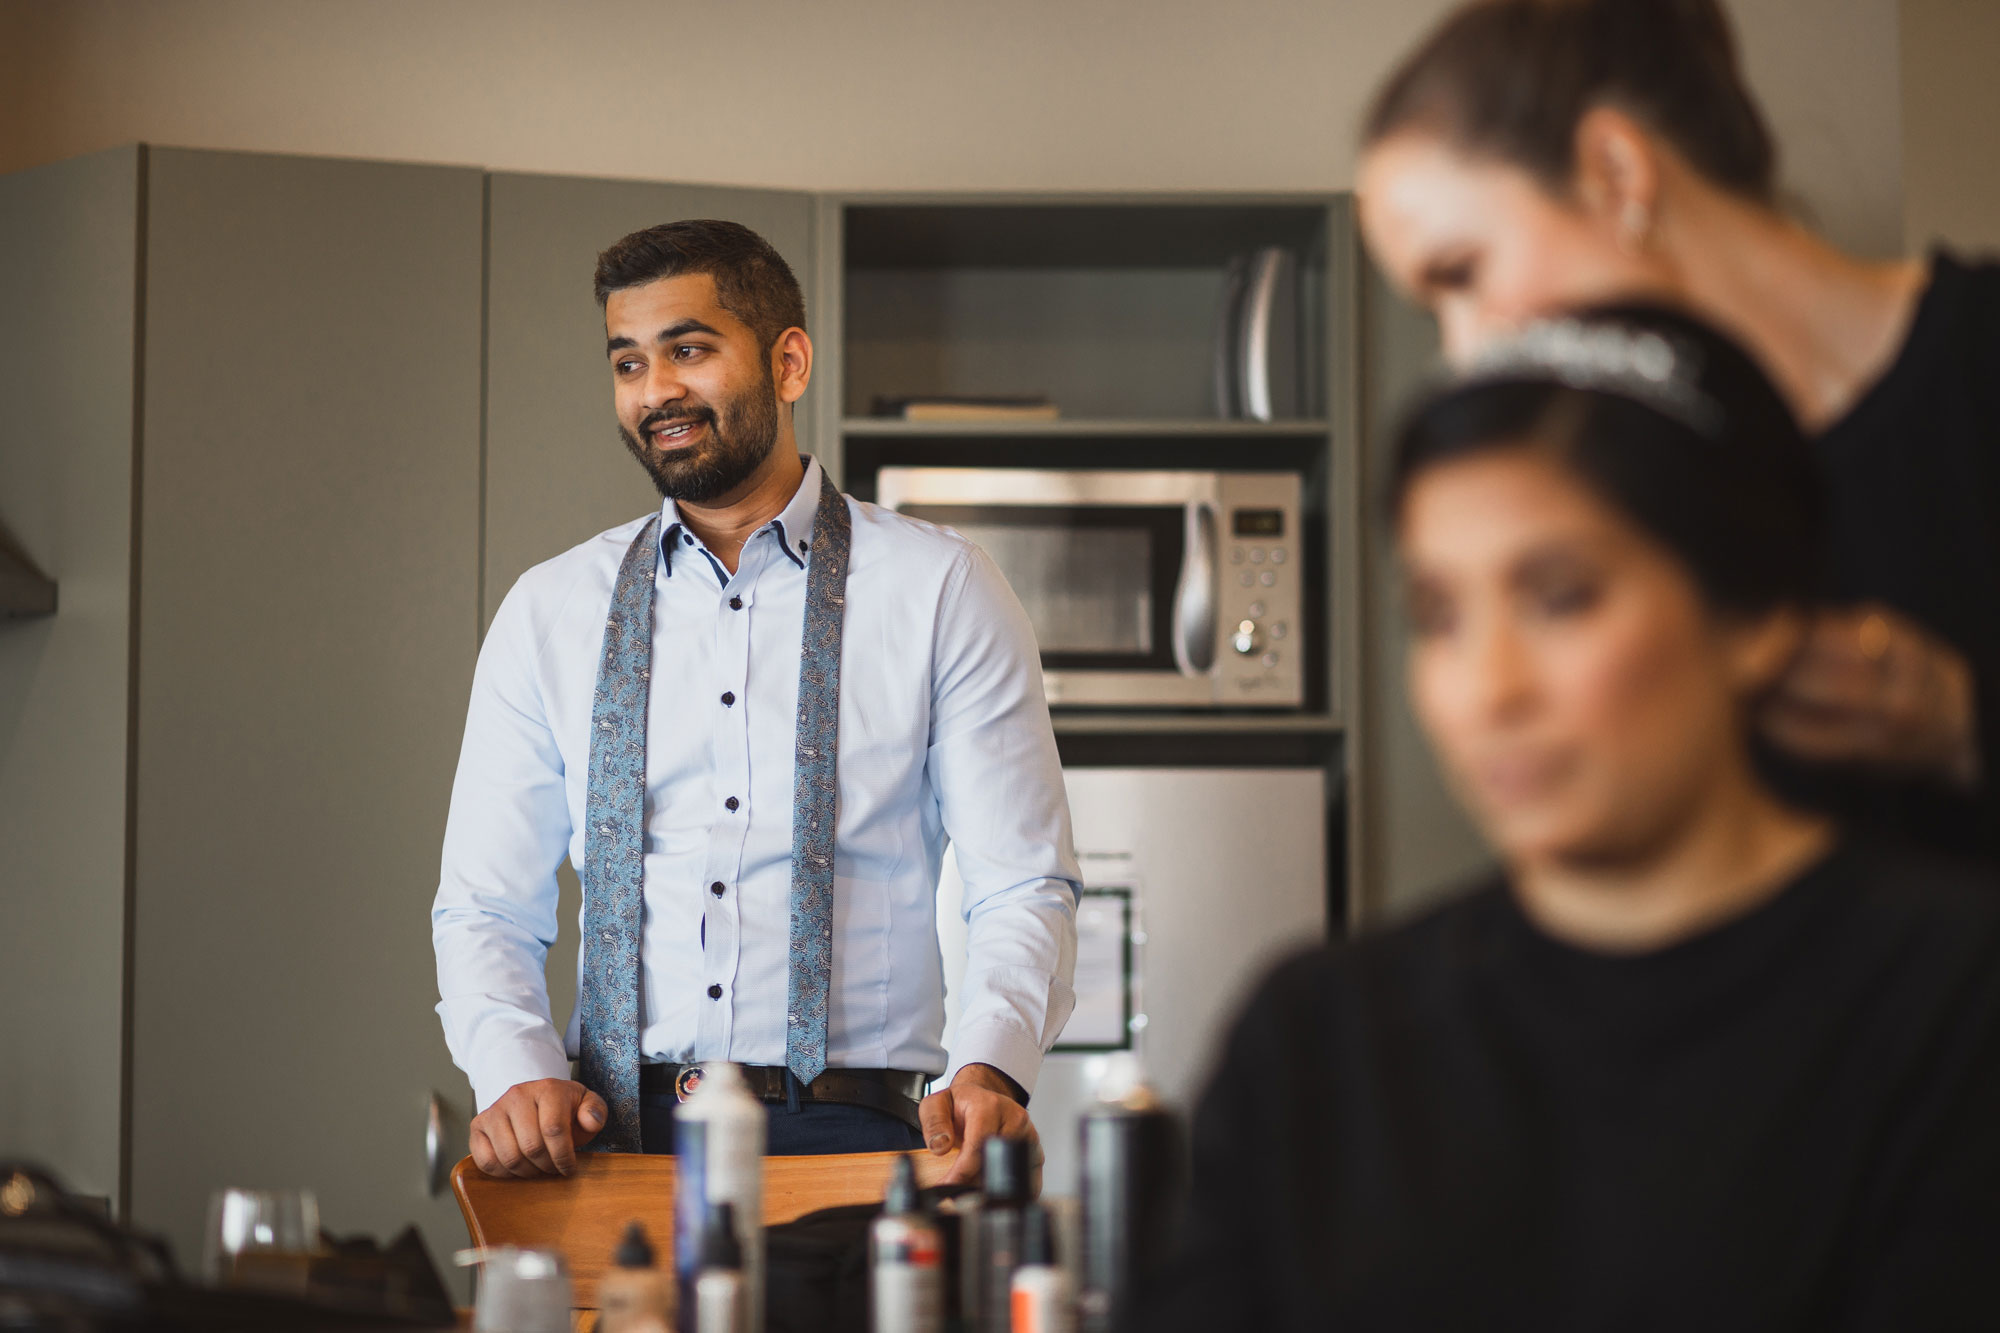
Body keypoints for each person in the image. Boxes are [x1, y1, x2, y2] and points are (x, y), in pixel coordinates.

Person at [1133, 309, 2000, 1330]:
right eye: (1440, 616)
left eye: (1561, 597)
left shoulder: (1953, 1003)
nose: (1487, 689)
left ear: (1758, 615)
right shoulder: (1314, 1037)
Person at [431, 220, 1079, 1176]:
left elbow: (1021, 879)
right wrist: (515, 1072)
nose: (657, 393)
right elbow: (485, 902)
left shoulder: (942, 589)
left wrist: (991, 1066)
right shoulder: (548, 609)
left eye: (689, 350)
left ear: (789, 362)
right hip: (608, 1147)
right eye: (629, 363)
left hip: (861, 1148)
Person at [1356, 0, 2000, 861]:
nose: (1464, 351)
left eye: (1464, 273)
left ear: (1617, 173)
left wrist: (1962, 725)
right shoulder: (1625, 492)